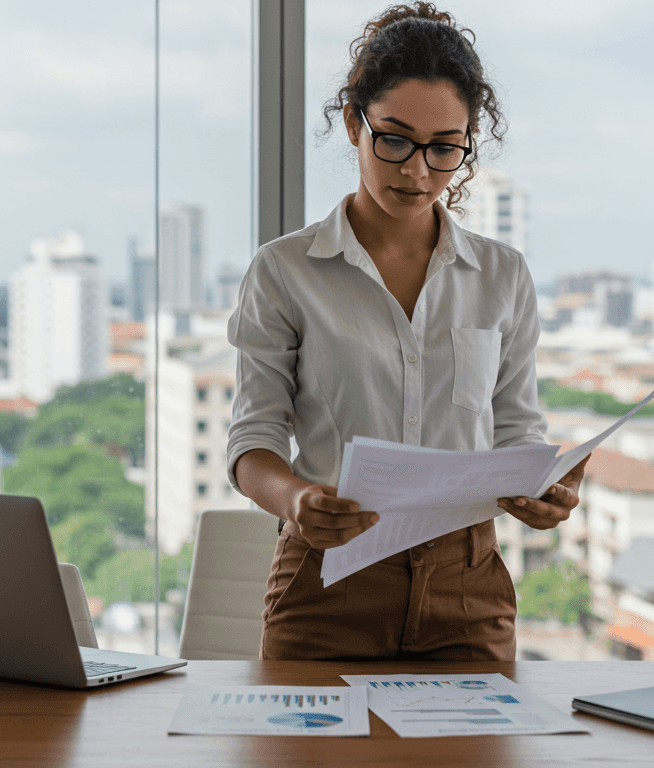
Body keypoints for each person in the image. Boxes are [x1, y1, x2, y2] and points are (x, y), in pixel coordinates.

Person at [226, 2, 588, 662]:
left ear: (467, 142)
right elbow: (253, 442)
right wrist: (298, 499)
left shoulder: (501, 274)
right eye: (393, 138)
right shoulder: (284, 271)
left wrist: (545, 489)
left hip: (467, 590)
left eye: (445, 147)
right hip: (327, 582)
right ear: (352, 124)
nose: (418, 170)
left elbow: (516, 428)